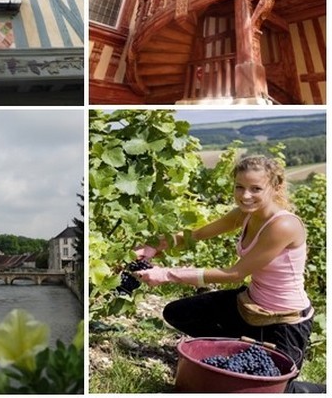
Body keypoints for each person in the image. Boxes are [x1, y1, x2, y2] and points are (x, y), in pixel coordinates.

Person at [134, 155, 325, 393]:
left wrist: (167, 274)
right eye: (239, 187)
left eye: (256, 189)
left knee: (278, 389)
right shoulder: (245, 213)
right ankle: (241, 352)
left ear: (275, 188)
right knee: (178, 313)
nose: (245, 195)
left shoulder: (283, 226)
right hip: (249, 305)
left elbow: (235, 273)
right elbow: (197, 235)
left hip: (284, 320)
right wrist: (157, 244)